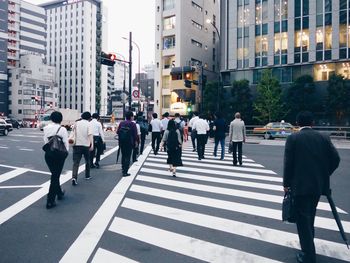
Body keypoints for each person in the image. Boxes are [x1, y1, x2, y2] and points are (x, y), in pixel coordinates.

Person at [283, 111, 340, 263]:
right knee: (310, 215)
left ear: (297, 123)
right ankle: (309, 244)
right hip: (317, 185)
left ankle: (308, 255)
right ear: (312, 123)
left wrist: (286, 184)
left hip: (299, 186)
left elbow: (288, 164)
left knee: (302, 220)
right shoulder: (323, 137)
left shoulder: (293, 138)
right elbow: (336, 159)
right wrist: (324, 174)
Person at [43, 111, 69, 209]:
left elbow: (46, 141)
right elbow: (66, 143)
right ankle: (50, 200)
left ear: (51, 118)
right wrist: (65, 154)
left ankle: (59, 193)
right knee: (55, 176)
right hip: (59, 155)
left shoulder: (46, 128)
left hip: (48, 155)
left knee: (55, 174)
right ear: (60, 119)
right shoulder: (62, 129)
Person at [71, 111, 94, 185]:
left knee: (76, 163)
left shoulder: (77, 123)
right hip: (86, 146)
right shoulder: (89, 124)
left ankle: (74, 177)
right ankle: (87, 175)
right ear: (89, 118)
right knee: (87, 161)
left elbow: (73, 132)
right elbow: (90, 135)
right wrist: (92, 144)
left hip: (77, 145)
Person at [116, 111, 138, 177]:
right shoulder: (133, 124)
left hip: (122, 142)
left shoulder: (121, 123)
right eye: (133, 116)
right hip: (129, 142)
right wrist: (136, 142)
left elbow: (117, 132)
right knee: (128, 157)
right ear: (131, 117)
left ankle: (123, 169)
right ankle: (125, 172)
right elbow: (135, 135)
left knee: (123, 155)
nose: (133, 117)